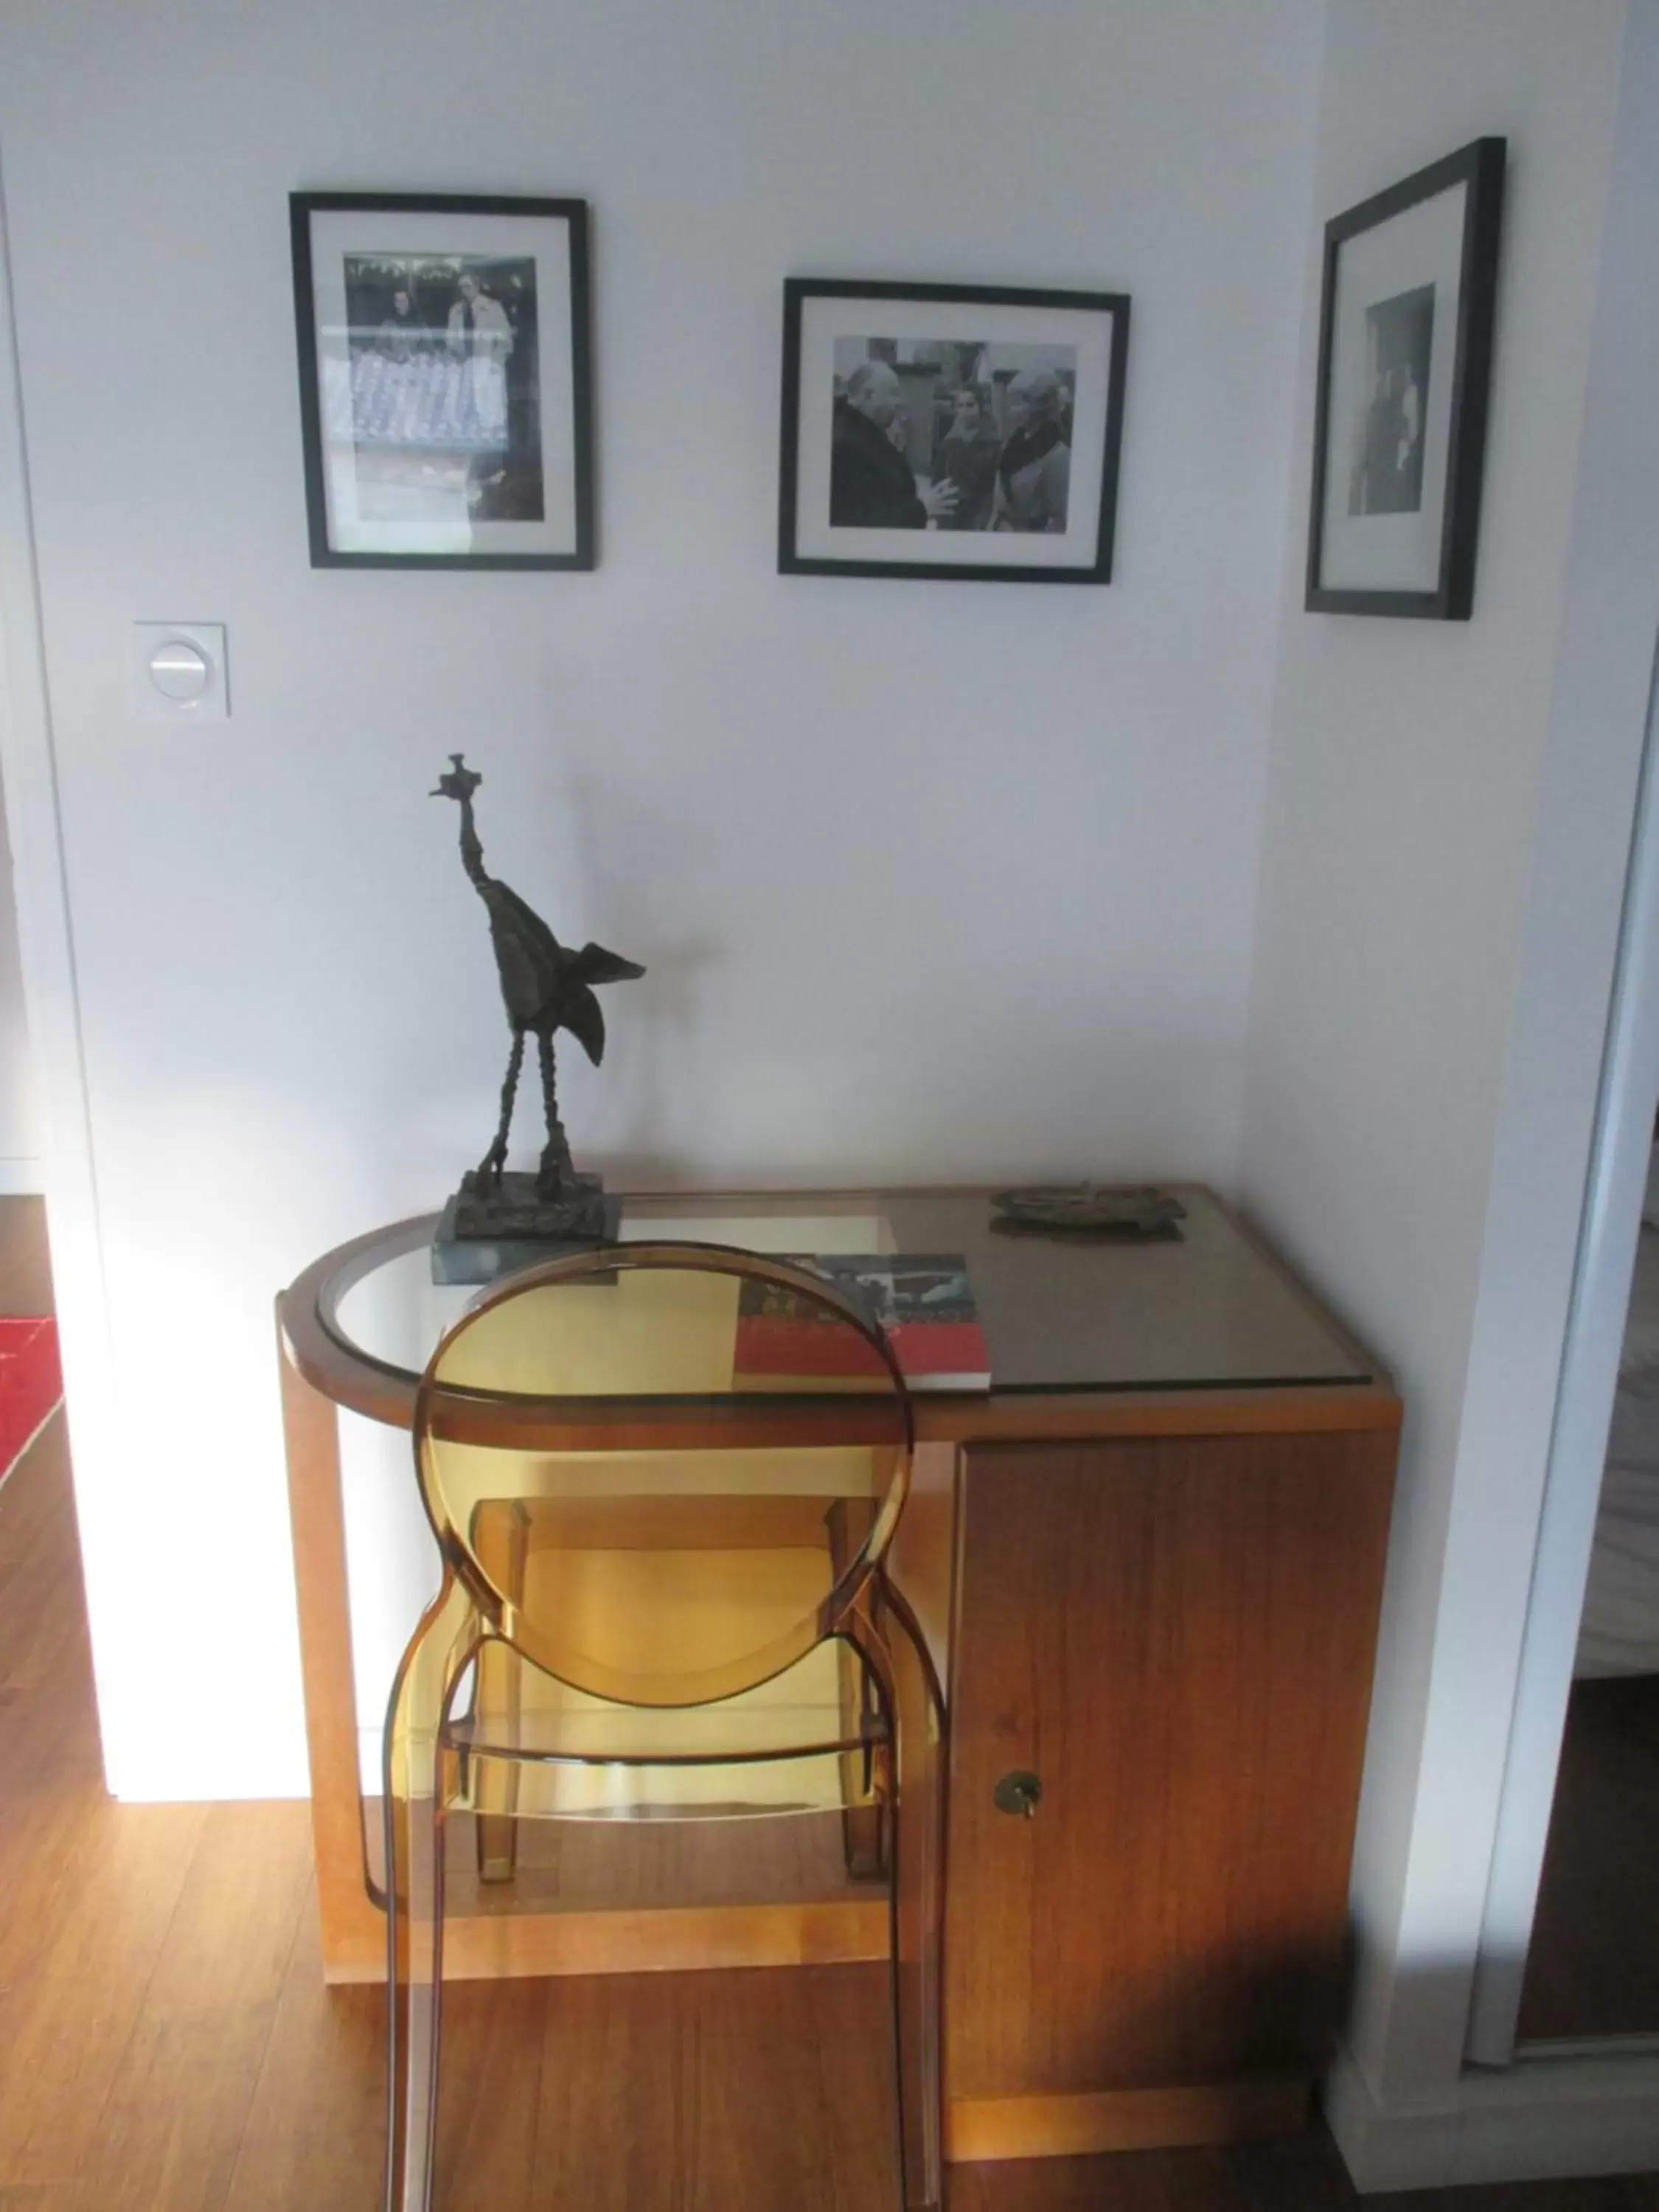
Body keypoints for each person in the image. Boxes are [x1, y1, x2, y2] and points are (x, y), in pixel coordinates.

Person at [830, 361, 957, 529]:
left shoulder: (861, 434)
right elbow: (862, 524)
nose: (900, 402)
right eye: (893, 393)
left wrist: (925, 499)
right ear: (870, 395)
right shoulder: (846, 446)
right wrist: (921, 509)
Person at [990, 369, 1071, 532]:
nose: (1011, 409)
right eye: (1010, 400)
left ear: (1040, 406)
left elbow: (1060, 522)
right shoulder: (1010, 445)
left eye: (1019, 400)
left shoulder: (1058, 455)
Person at [446, 271, 513, 451]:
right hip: (463, 362)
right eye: (461, 287)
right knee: (456, 392)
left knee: (486, 395)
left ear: (477, 286)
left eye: (467, 287)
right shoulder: (456, 311)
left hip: (486, 361)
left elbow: (505, 342)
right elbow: (450, 339)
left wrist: (495, 363)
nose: (464, 291)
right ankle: (461, 431)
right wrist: (455, 352)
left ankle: (490, 433)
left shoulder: (492, 308)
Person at [932, 385, 1001, 532]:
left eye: (970, 406)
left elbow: (996, 485)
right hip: (951, 513)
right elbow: (938, 478)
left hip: (979, 512)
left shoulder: (991, 442)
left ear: (980, 408)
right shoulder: (949, 442)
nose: (964, 411)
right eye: (960, 406)